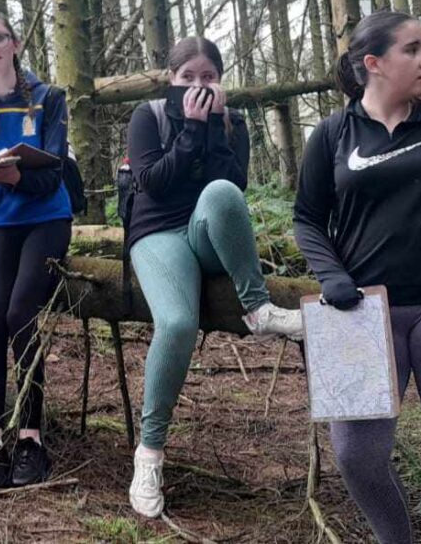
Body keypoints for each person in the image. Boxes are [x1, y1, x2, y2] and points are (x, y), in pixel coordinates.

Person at [293, 10, 421, 544]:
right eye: (413, 49)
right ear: (374, 64)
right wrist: (330, 274)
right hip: (358, 313)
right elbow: (307, 218)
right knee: (357, 455)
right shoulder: (333, 135)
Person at [125, 36, 303, 518]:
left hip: (204, 233)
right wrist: (189, 128)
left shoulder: (234, 122)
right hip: (157, 232)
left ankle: (258, 308)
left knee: (223, 190)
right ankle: (150, 453)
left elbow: (232, 190)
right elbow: (152, 183)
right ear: (171, 80)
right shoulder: (149, 117)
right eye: (188, 78)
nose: (198, 86)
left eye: (208, 77)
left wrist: (214, 130)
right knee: (178, 325)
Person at [0, 9, 72, 491]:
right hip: (1, 225)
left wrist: (15, 175)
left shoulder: (48, 99)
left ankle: (30, 438)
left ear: (16, 42)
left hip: (47, 219)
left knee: (23, 313)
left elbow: (52, 176)